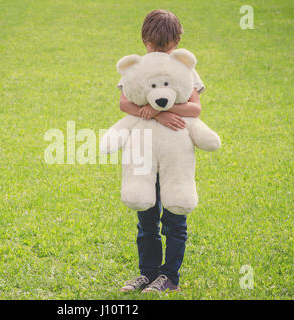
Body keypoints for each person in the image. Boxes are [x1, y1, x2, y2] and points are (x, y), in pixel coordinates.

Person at [119, 9, 205, 293]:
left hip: (174, 156)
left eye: (166, 48)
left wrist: (160, 109)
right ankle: (148, 273)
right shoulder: (140, 67)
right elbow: (125, 104)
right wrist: (158, 114)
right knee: (146, 218)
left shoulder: (184, 67)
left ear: (177, 42)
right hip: (143, 151)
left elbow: (195, 107)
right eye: (155, 47)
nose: (161, 53)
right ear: (145, 41)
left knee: (174, 217)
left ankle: (170, 277)